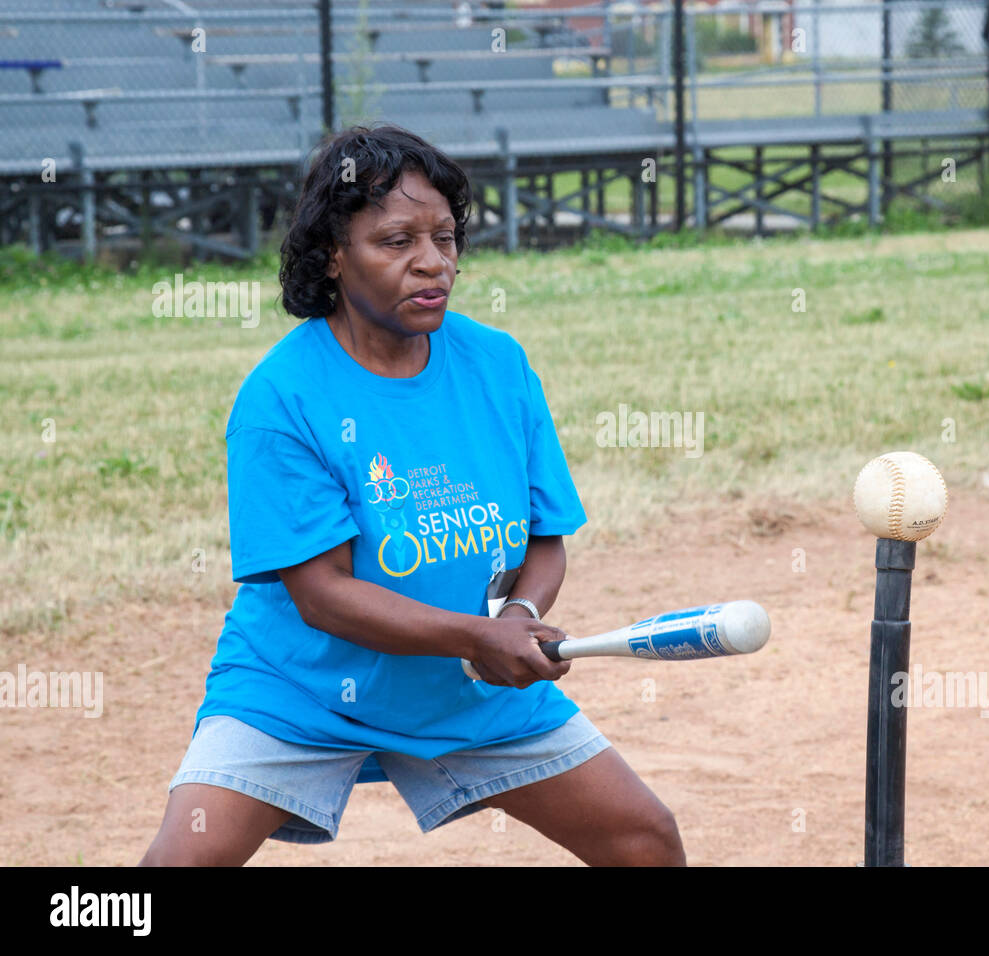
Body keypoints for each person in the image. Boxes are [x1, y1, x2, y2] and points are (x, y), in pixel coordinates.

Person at [139, 124, 685, 867]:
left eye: (445, 237)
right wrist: (475, 636)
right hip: (301, 693)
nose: (433, 263)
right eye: (396, 242)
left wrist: (518, 618)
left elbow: (545, 540)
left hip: (467, 690)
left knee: (644, 839)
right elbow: (323, 595)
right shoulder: (283, 396)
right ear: (334, 254)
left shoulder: (497, 364)